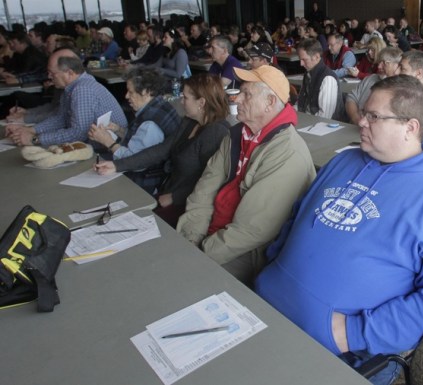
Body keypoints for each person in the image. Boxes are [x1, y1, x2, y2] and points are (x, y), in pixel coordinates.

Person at [254, 74, 423, 385]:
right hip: (265, 301)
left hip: (339, 350)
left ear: (410, 128)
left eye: (374, 116)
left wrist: (349, 333)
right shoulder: (344, 161)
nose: (360, 121)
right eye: (364, 112)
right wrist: (274, 264)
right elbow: (298, 216)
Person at [177, 65, 316, 283]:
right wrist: (190, 238)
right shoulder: (236, 135)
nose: (236, 99)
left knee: (181, 283)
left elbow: (251, 231)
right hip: (211, 237)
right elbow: (204, 189)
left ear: (270, 102)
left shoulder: (287, 152)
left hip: (250, 253)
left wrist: (200, 255)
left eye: (246, 94)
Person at [93, 74, 231, 227]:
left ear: (201, 103)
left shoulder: (216, 133)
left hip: (189, 203)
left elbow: (210, 181)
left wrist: (174, 197)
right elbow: (160, 151)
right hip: (169, 191)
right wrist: (117, 165)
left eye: (185, 97)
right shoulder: (190, 121)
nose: (181, 101)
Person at [5, 48, 127, 147]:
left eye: (52, 73)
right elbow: (61, 118)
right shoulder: (72, 87)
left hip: (108, 151)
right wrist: (32, 130)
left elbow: (79, 134)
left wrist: (34, 140)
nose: (49, 76)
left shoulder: (82, 89)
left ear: (69, 73)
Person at [88, 67, 181, 192]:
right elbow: (140, 139)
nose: (126, 96)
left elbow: (134, 162)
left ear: (147, 91)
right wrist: (118, 129)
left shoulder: (150, 125)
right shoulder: (160, 105)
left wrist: (108, 141)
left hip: (143, 184)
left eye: (130, 92)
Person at [345, 47, 403, 125]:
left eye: (384, 63)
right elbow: (351, 98)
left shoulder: (401, 88)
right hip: (356, 126)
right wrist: (355, 118)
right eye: (379, 62)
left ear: (397, 66)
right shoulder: (370, 79)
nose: (379, 66)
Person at [296, 38, 344, 120]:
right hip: (306, 119)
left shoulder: (327, 79)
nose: (301, 64)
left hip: (321, 126)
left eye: (304, 59)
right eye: (300, 59)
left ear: (317, 57)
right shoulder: (308, 73)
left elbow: (324, 117)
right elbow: (300, 102)